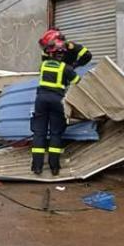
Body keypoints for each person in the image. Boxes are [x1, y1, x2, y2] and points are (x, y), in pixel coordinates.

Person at [31, 39, 80, 176]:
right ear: (63, 55)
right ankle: (54, 168)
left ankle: (37, 167)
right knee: (55, 133)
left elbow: (44, 55)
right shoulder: (66, 68)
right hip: (57, 101)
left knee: (39, 133)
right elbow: (77, 82)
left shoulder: (43, 65)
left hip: (41, 100)